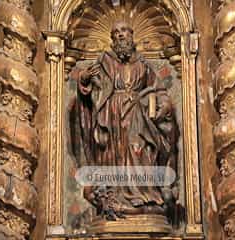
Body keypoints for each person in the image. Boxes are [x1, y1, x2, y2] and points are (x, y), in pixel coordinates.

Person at [74, 20, 178, 220]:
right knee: (115, 156)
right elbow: (91, 86)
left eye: (123, 31)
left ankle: (145, 194)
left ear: (131, 35)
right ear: (113, 40)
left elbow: (160, 91)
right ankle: (116, 196)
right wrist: (85, 79)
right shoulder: (104, 61)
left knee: (141, 152)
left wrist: (163, 106)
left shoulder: (144, 65)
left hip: (139, 118)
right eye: (115, 33)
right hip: (111, 118)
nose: (120, 35)